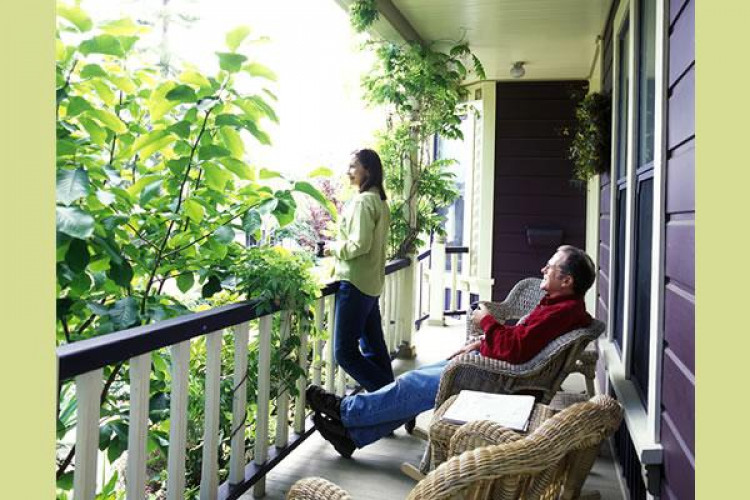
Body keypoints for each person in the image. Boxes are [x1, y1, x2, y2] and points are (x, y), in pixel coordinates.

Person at [306, 245, 596, 458]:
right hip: (495, 366)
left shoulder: (560, 312)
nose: (543, 269)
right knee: (418, 381)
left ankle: (345, 411)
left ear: (567, 281)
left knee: (414, 384)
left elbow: (515, 349)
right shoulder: (561, 307)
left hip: (502, 379)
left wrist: (486, 321)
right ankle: (352, 437)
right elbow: (520, 343)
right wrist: (480, 344)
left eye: (550, 267)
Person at [323, 149, 394, 392]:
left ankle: (395, 399)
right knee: (375, 349)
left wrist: (332, 248)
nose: (348, 171)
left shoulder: (363, 202)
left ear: (368, 170)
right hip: (371, 283)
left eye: (354, 166)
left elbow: (359, 244)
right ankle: (394, 399)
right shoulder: (380, 202)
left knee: (344, 353)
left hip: (355, 283)